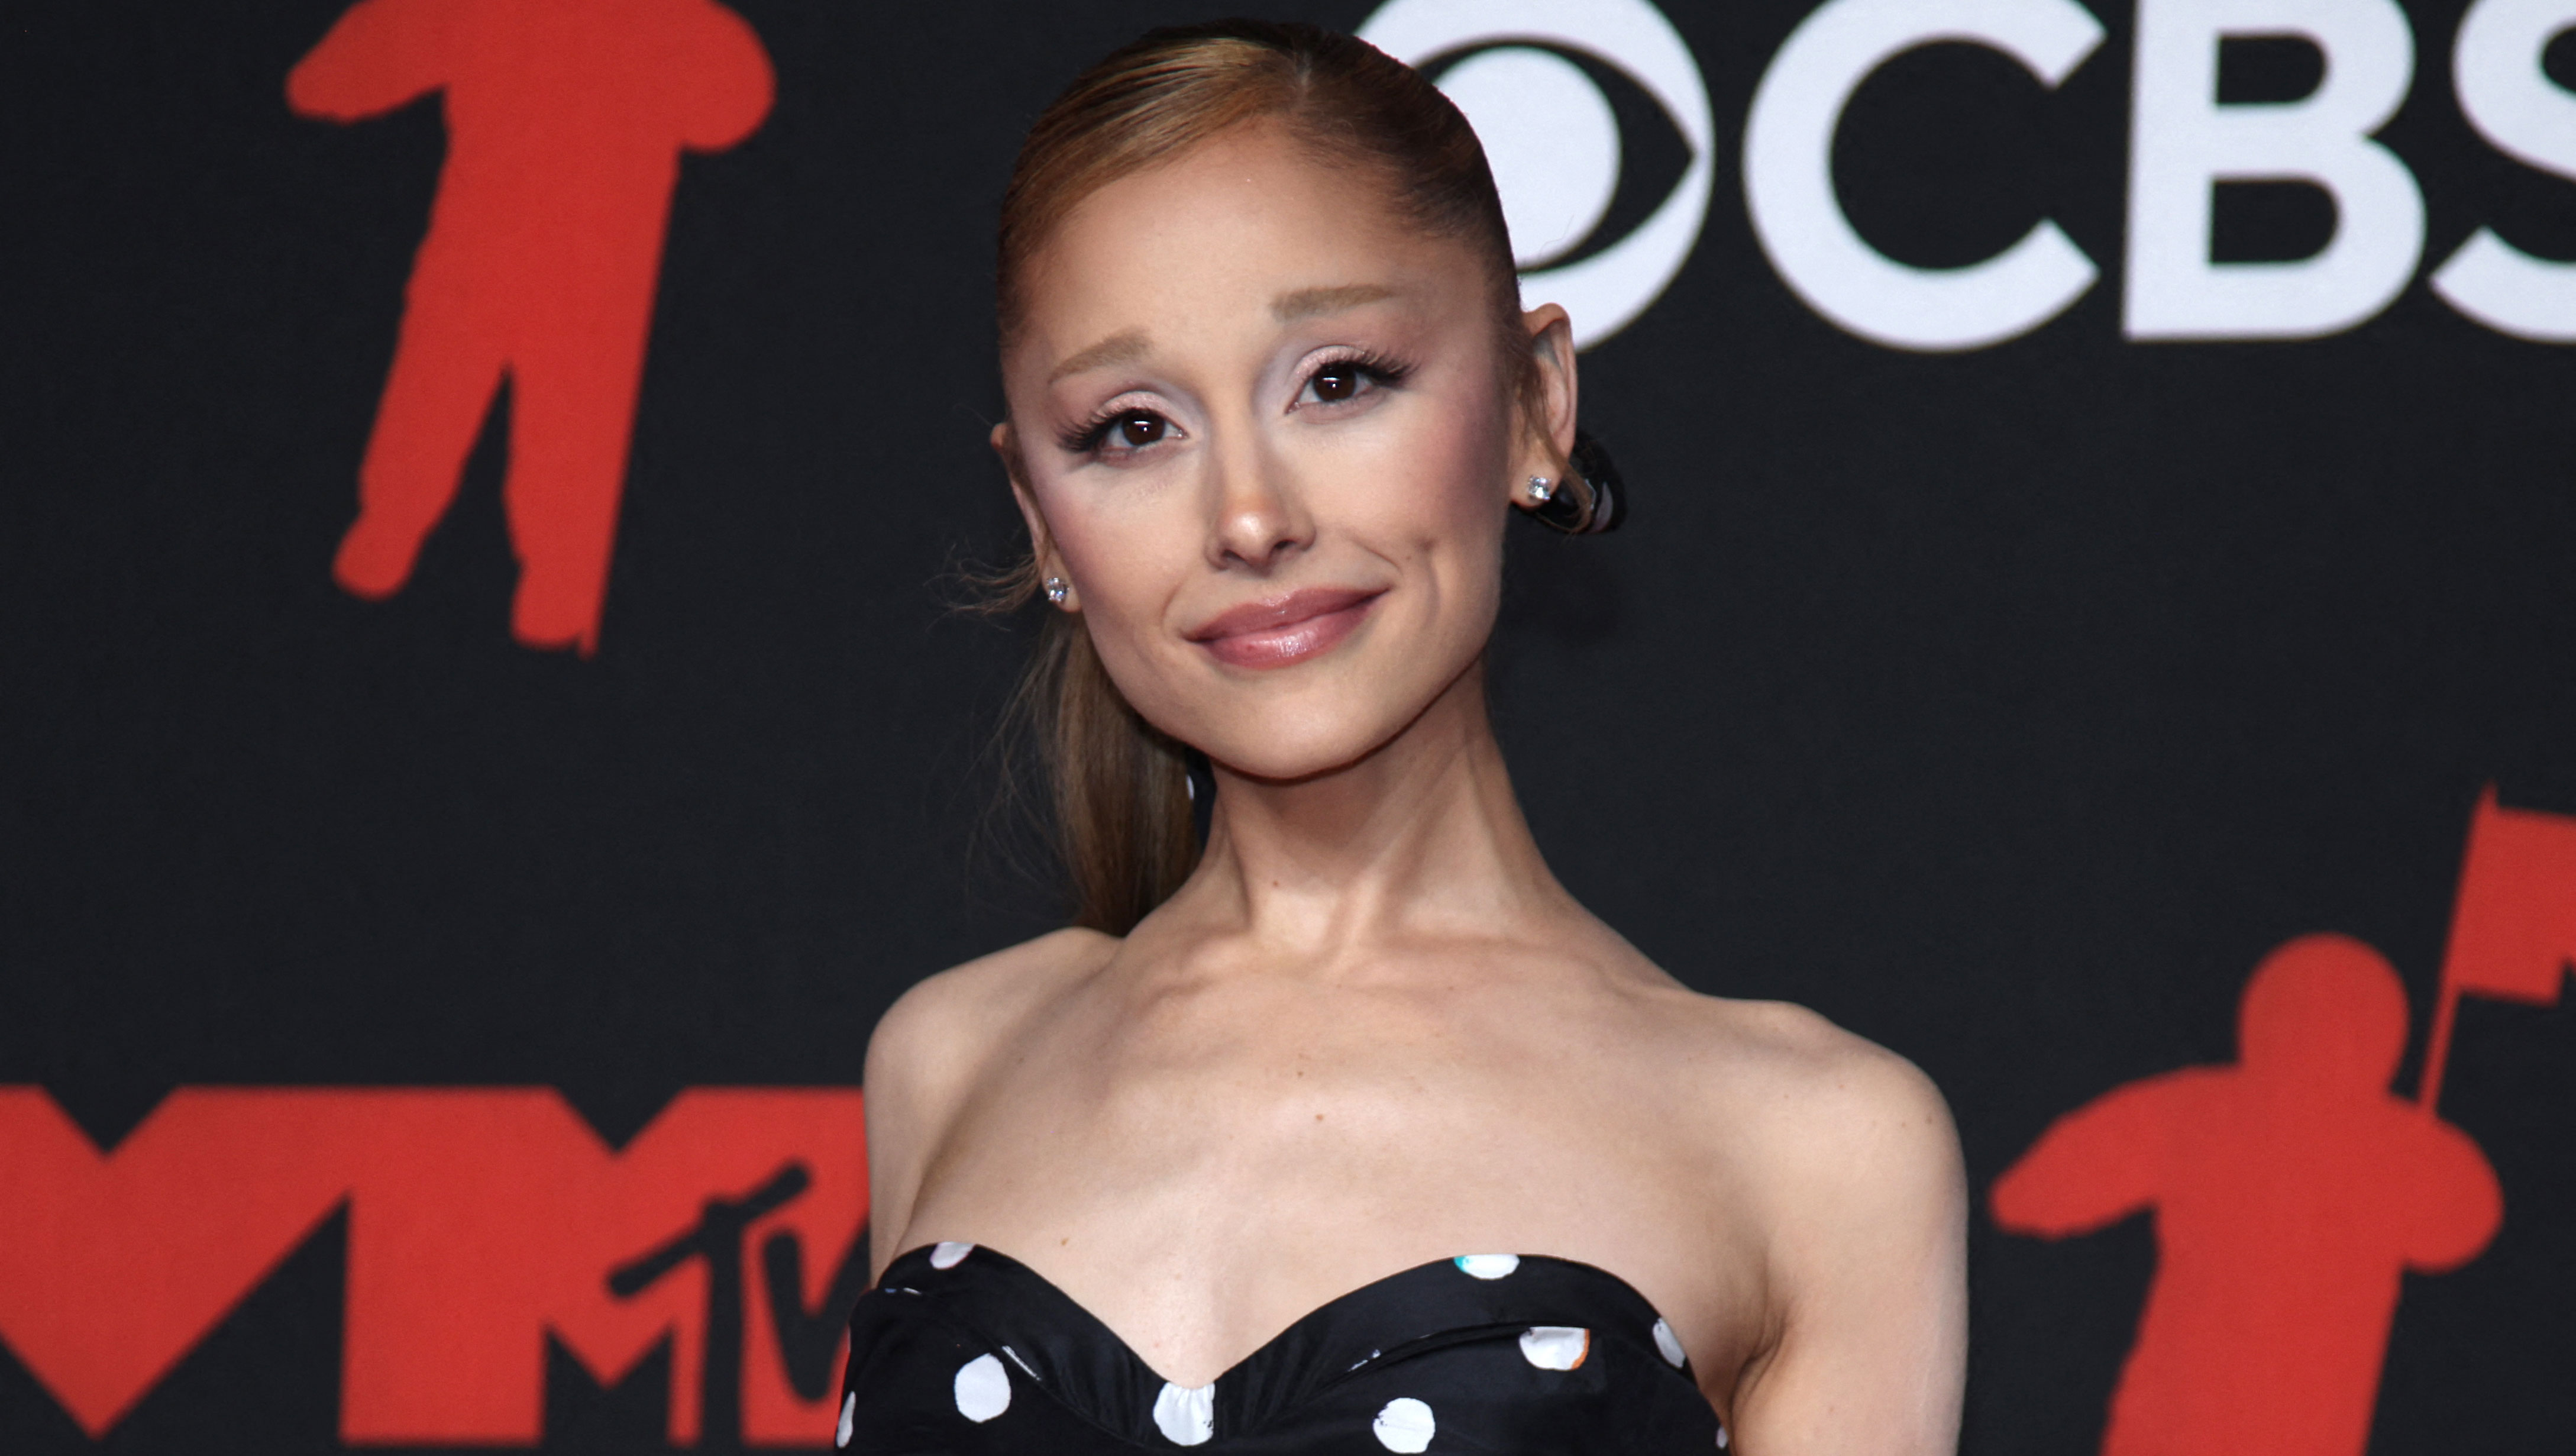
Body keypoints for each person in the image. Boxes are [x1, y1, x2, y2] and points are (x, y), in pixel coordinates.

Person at [839, 21, 1965, 1454]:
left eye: (1340, 379)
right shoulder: (950, 1060)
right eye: (1132, 428)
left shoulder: (1812, 1146)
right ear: (1039, 519)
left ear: (1533, 407)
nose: (1249, 517)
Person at [1992, 933, 2500, 1456]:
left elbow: (2032, 1193)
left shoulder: (2200, 1111)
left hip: (2181, 1424)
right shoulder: (2396, 1150)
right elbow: (2463, 1226)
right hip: (2286, 1429)